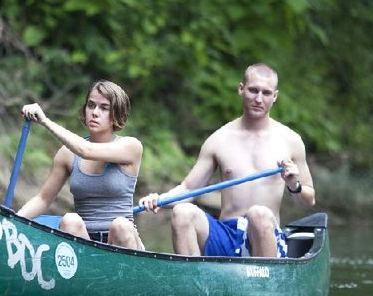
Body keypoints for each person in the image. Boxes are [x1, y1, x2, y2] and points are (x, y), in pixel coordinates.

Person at [138, 63, 315, 257]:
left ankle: (265, 284)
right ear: (241, 89)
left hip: (263, 235)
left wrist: (294, 185)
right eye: (253, 90)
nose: (258, 99)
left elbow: (308, 201)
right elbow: (188, 189)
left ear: (275, 96)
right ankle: (194, 283)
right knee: (183, 212)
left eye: (266, 93)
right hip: (226, 236)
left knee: (259, 214)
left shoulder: (290, 141)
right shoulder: (219, 140)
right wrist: (159, 200)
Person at [17, 80, 145, 249]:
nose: (95, 112)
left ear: (116, 115)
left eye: (104, 108)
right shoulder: (66, 154)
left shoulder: (131, 147)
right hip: (84, 243)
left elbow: (87, 151)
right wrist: (11, 220)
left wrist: (45, 121)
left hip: (121, 241)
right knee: (70, 220)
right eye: (91, 105)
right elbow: (43, 198)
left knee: (120, 225)